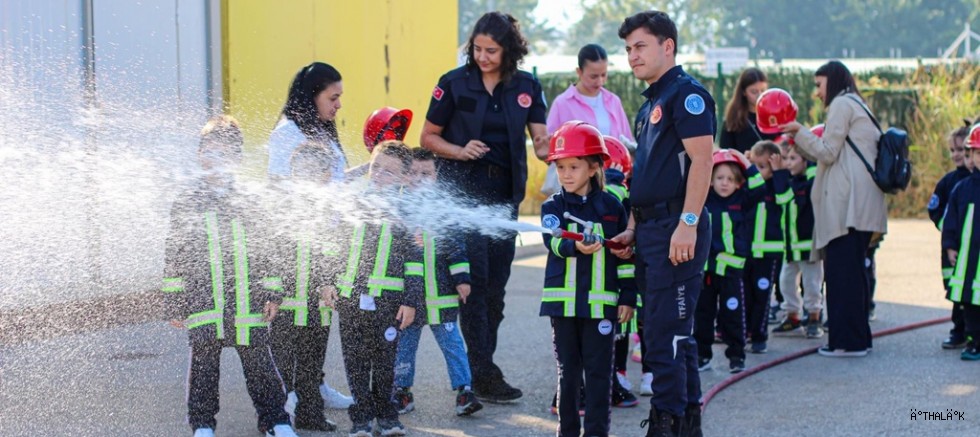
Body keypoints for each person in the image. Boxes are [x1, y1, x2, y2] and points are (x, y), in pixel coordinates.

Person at [420, 11, 549, 403]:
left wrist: (567, 150)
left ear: (509, 50)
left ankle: (482, 367)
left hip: (504, 202)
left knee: (495, 290)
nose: (482, 56)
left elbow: (541, 140)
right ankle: (480, 373)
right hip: (464, 200)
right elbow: (427, 137)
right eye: (477, 48)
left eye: (491, 50)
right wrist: (459, 151)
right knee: (472, 288)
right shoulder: (453, 84)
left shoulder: (527, 86)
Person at [611, 11, 715, 436]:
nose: (632, 56)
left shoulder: (686, 95)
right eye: (628, 49)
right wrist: (634, 228)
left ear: (666, 46)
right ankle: (686, 423)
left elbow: (703, 161)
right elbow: (645, 177)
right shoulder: (650, 103)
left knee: (663, 333)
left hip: (677, 225)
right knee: (669, 331)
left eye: (640, 47)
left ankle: (666, 422)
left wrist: (687, 223)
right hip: (652, 229)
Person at [162, 115, 298, 437]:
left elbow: (270, 249)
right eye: (209, 150)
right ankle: (203, 426)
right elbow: (175, 253)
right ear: (199, 154)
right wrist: (173, 300)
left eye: (224, 152)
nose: (215, 159)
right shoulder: (187, 201)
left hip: (247, 306)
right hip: (204, 304)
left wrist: (273, 292)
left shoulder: (251, 200)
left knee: (261, 369)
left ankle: (276, 421)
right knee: (204, 371)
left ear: (237, 158)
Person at [780, 60, 887, 357]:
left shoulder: (842, 104)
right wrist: (799, 138)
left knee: (842, 277)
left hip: (847, 209)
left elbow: (827, 152)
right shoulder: (856, 103)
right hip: (859, 206)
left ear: (833, 82)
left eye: (819, 85)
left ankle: (846, 342)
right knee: (854, 275)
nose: (817, 93)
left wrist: (799, 130)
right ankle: (856, 339)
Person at [540, 122, 636, 437]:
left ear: (594, 167)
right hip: (562, 307)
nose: (565, 174)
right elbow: (551, 241)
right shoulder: (552, 207)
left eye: (573, 166)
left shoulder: (612, 208)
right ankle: (566, 432)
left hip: (601, 306)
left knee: (599, 374)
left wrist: (627, 296)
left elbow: (625, 256)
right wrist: (574, 246)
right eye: (560, 167)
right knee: (568, 374)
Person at [322, 140, 422, 437]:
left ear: (405, 178)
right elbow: (335, 247)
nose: (379, 175)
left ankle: (387, 416)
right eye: (376, 167)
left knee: (384, 364)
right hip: (350, 300)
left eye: (389, 172)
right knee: (354, 362)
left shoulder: (407, 213)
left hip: (389, 303)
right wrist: (327, 282)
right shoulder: (353, 204)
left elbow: (414, 263)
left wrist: (411, 301)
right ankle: (361, 418)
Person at [390, 148, 483, 417]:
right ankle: (402, 391)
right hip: (410, 300)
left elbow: (456, 246)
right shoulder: (397, 207)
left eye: (427, 173)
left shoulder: (443, 208)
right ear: (405, 176)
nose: (420, 178)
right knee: (404, 346)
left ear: (436, 176)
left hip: (442, 295)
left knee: (453, 344)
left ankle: (465, 391)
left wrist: (462, 279)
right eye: (414, 173)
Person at [267, 142, 345, 432]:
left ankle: (310, 415)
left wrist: (330, 284)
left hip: (317, 307)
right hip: (286, 306)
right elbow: (271, 256)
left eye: (316, 169)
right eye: (301, 170)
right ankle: (277, 417)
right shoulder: (283, 208)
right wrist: (272, 296)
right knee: (283, 366)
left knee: (312, 367)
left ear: (326, 174)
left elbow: (332, 253)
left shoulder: (328, 211)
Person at [542, 44, 636, 196]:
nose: (600, 81)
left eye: (604, 75)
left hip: (612, 183)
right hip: (578, 188)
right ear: (579, 72)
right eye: (593, 76)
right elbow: (551, 149)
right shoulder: (563, 103)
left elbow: (626, 142)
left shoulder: (613, 101)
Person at [694, 149, 754, 375]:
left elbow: (758, 186)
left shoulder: (742, 200)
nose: (725, 183)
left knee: (733, 315)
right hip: (707, 271)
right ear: (710, 180)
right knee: (703, 314)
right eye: (719, 178)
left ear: (738, 183)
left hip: (731, 271)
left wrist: (744, 160)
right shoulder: (704, 199)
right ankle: (702, 355)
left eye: (730, 179)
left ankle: (736, 355)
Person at [771, 135, 825, 339]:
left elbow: (792, 193)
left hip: (808, 246)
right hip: (790, 246)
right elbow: (782, 198)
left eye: (794, 158)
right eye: (787, 158)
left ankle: (814, 317)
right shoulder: (789, 181)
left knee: (812, 284)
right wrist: (781, 173)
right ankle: (792, 316)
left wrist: (807, 151)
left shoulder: (810, 183)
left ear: (806, 161)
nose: (788, 163)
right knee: (785, 282)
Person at [742, 140, 789, 353]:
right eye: (755, 166)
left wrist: (779, 174)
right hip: (746, 251)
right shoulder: (750, 186)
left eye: (763, 167)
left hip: (769, 253)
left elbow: (784, 198)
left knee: (763, 294)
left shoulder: (779, 184)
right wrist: (747, 167)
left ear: (774, 165)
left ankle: (759, 336)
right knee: (746, 295)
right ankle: (744, 333)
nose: (758, 172)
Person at [929, 121, 972, 349]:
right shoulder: (948, 183)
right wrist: (949, 229)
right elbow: (934, 209)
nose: (957, 155)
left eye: (963, 151)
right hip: (953, 248)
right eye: (953, 150)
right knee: (956, 289)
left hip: (973, 248)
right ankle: (959, 330)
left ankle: (969, 331)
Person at [267, 62, 348, 182]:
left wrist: (370, 166)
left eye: (339, 97)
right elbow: (276, 183)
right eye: (333, 98)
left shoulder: (322, 130)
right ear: (312, 96)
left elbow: (336, 180)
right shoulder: (287, 132)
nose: (338, 105)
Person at [942, 124, 980, 361]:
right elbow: (951, 222)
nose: (977, 157)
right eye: (976, 152)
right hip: (970, 260)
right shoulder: (962, 189)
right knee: (971, 304)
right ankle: (973, 341)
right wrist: (950, 246)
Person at [718, 68, 778, 153]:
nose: (760, 95)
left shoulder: (776, 116)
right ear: (743, 92)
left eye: (763, 90)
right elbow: (725, 153)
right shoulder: (732, 120)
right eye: (754, 92)